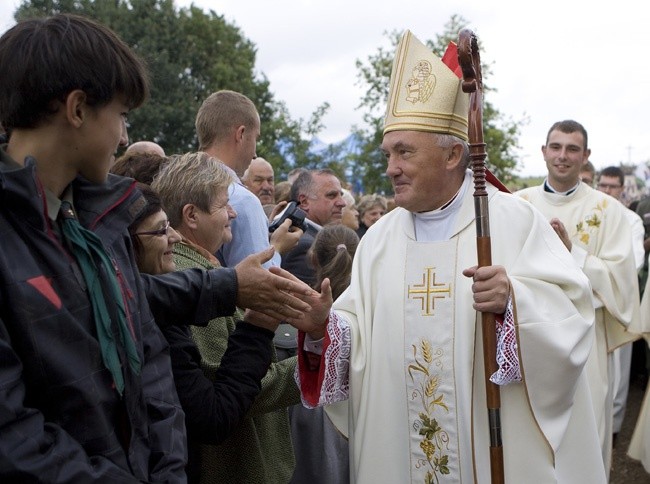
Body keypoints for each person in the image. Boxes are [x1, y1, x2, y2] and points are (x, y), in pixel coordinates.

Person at [0, 13, 314, 483]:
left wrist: (167, 470)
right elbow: (15, 435)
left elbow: (151, 364)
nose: (125, 137)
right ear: (78, 108)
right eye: (122, 115)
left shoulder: (101, 223)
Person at [292, 30, 606, 483]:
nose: (391, 167)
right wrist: (326, 329)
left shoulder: (512, 222)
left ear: (454, 154)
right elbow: (360, 341)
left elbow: (573, 314)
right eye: (388, 153)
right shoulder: (379, 241)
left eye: (404, 152)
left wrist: (514, 302)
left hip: (491, 452)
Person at [145, 153, 301, 484]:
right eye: (223, 205)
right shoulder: (192, 280)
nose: (232, 213)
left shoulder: (204, 273)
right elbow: (230, 391)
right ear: (191, 215)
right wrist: (313, 368)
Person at [517, 120, 642, 476]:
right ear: (544, 152)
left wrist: (572, 252)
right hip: (530, 339)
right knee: (529, 433)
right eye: (555, 147)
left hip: (585, 342)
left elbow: (622, 281)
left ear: (585, 156)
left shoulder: (609, 211)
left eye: (572, 149)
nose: (562, 156)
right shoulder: (518, 204)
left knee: (584, 435)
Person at [196, 90, 298, 268]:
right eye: (255, 138)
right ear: (241, 134)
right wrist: (276, 247)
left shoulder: (177, 184)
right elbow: (260, 284)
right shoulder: (242, 200)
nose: (255, 153)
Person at [596, 165, 645, 445]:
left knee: (617, 371)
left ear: (622, 189)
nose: (607, 191)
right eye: (603, 186)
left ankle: (613, 429)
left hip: (618, 305)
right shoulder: (592, 214)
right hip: (588, 301)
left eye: (613, 187)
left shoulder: (631, 220)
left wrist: (593, 276)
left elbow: (633, 263)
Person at [281, 169, 347, 286]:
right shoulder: (303, 246)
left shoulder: (311, 238)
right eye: (331, 195)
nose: (342, 203)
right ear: (304, 202)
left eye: (341, 195)